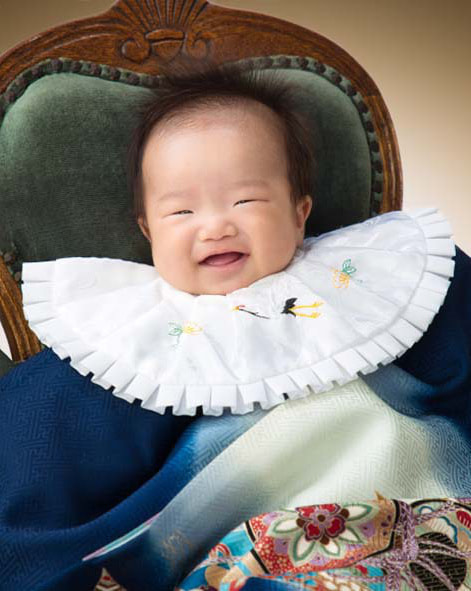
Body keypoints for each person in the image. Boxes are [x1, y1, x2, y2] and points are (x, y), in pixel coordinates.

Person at [1, 59, 470, 590]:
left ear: (299, 212)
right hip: (243, 552)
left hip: (419, 514)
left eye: (246, 200)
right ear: (147, 230)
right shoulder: (128, 340)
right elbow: (39, 448)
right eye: (181, 213)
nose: (217, 225)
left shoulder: (372, 280)